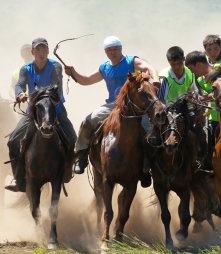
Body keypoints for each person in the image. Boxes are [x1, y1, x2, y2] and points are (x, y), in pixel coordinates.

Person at [64, 36, 159, 187]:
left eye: (115, 49)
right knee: (89, 120)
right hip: (113, 106)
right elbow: (87, 80)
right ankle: (81, 155)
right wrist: (73, 73)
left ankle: (148, 168)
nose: (113, 52)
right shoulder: (105, 67)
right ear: (106, 52)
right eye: (110, 50)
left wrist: (155, 79)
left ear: (121, 49)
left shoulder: (130, 61)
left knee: (150, 131)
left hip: (135, 107)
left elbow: (148, 67)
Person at [6, 38, 77, 192]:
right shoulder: (26, 69)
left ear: (48, 51)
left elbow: (55, 86)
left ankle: (66, 172)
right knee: (12, 142)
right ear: (33, 52)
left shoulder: (55, 66)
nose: (41, 52)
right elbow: (19, 84)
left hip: (55, 111)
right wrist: (20, 94)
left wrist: (36, 96)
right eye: (38, 50)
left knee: (72, 139)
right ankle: (19, 180)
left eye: (44, 49)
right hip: (33, 112)